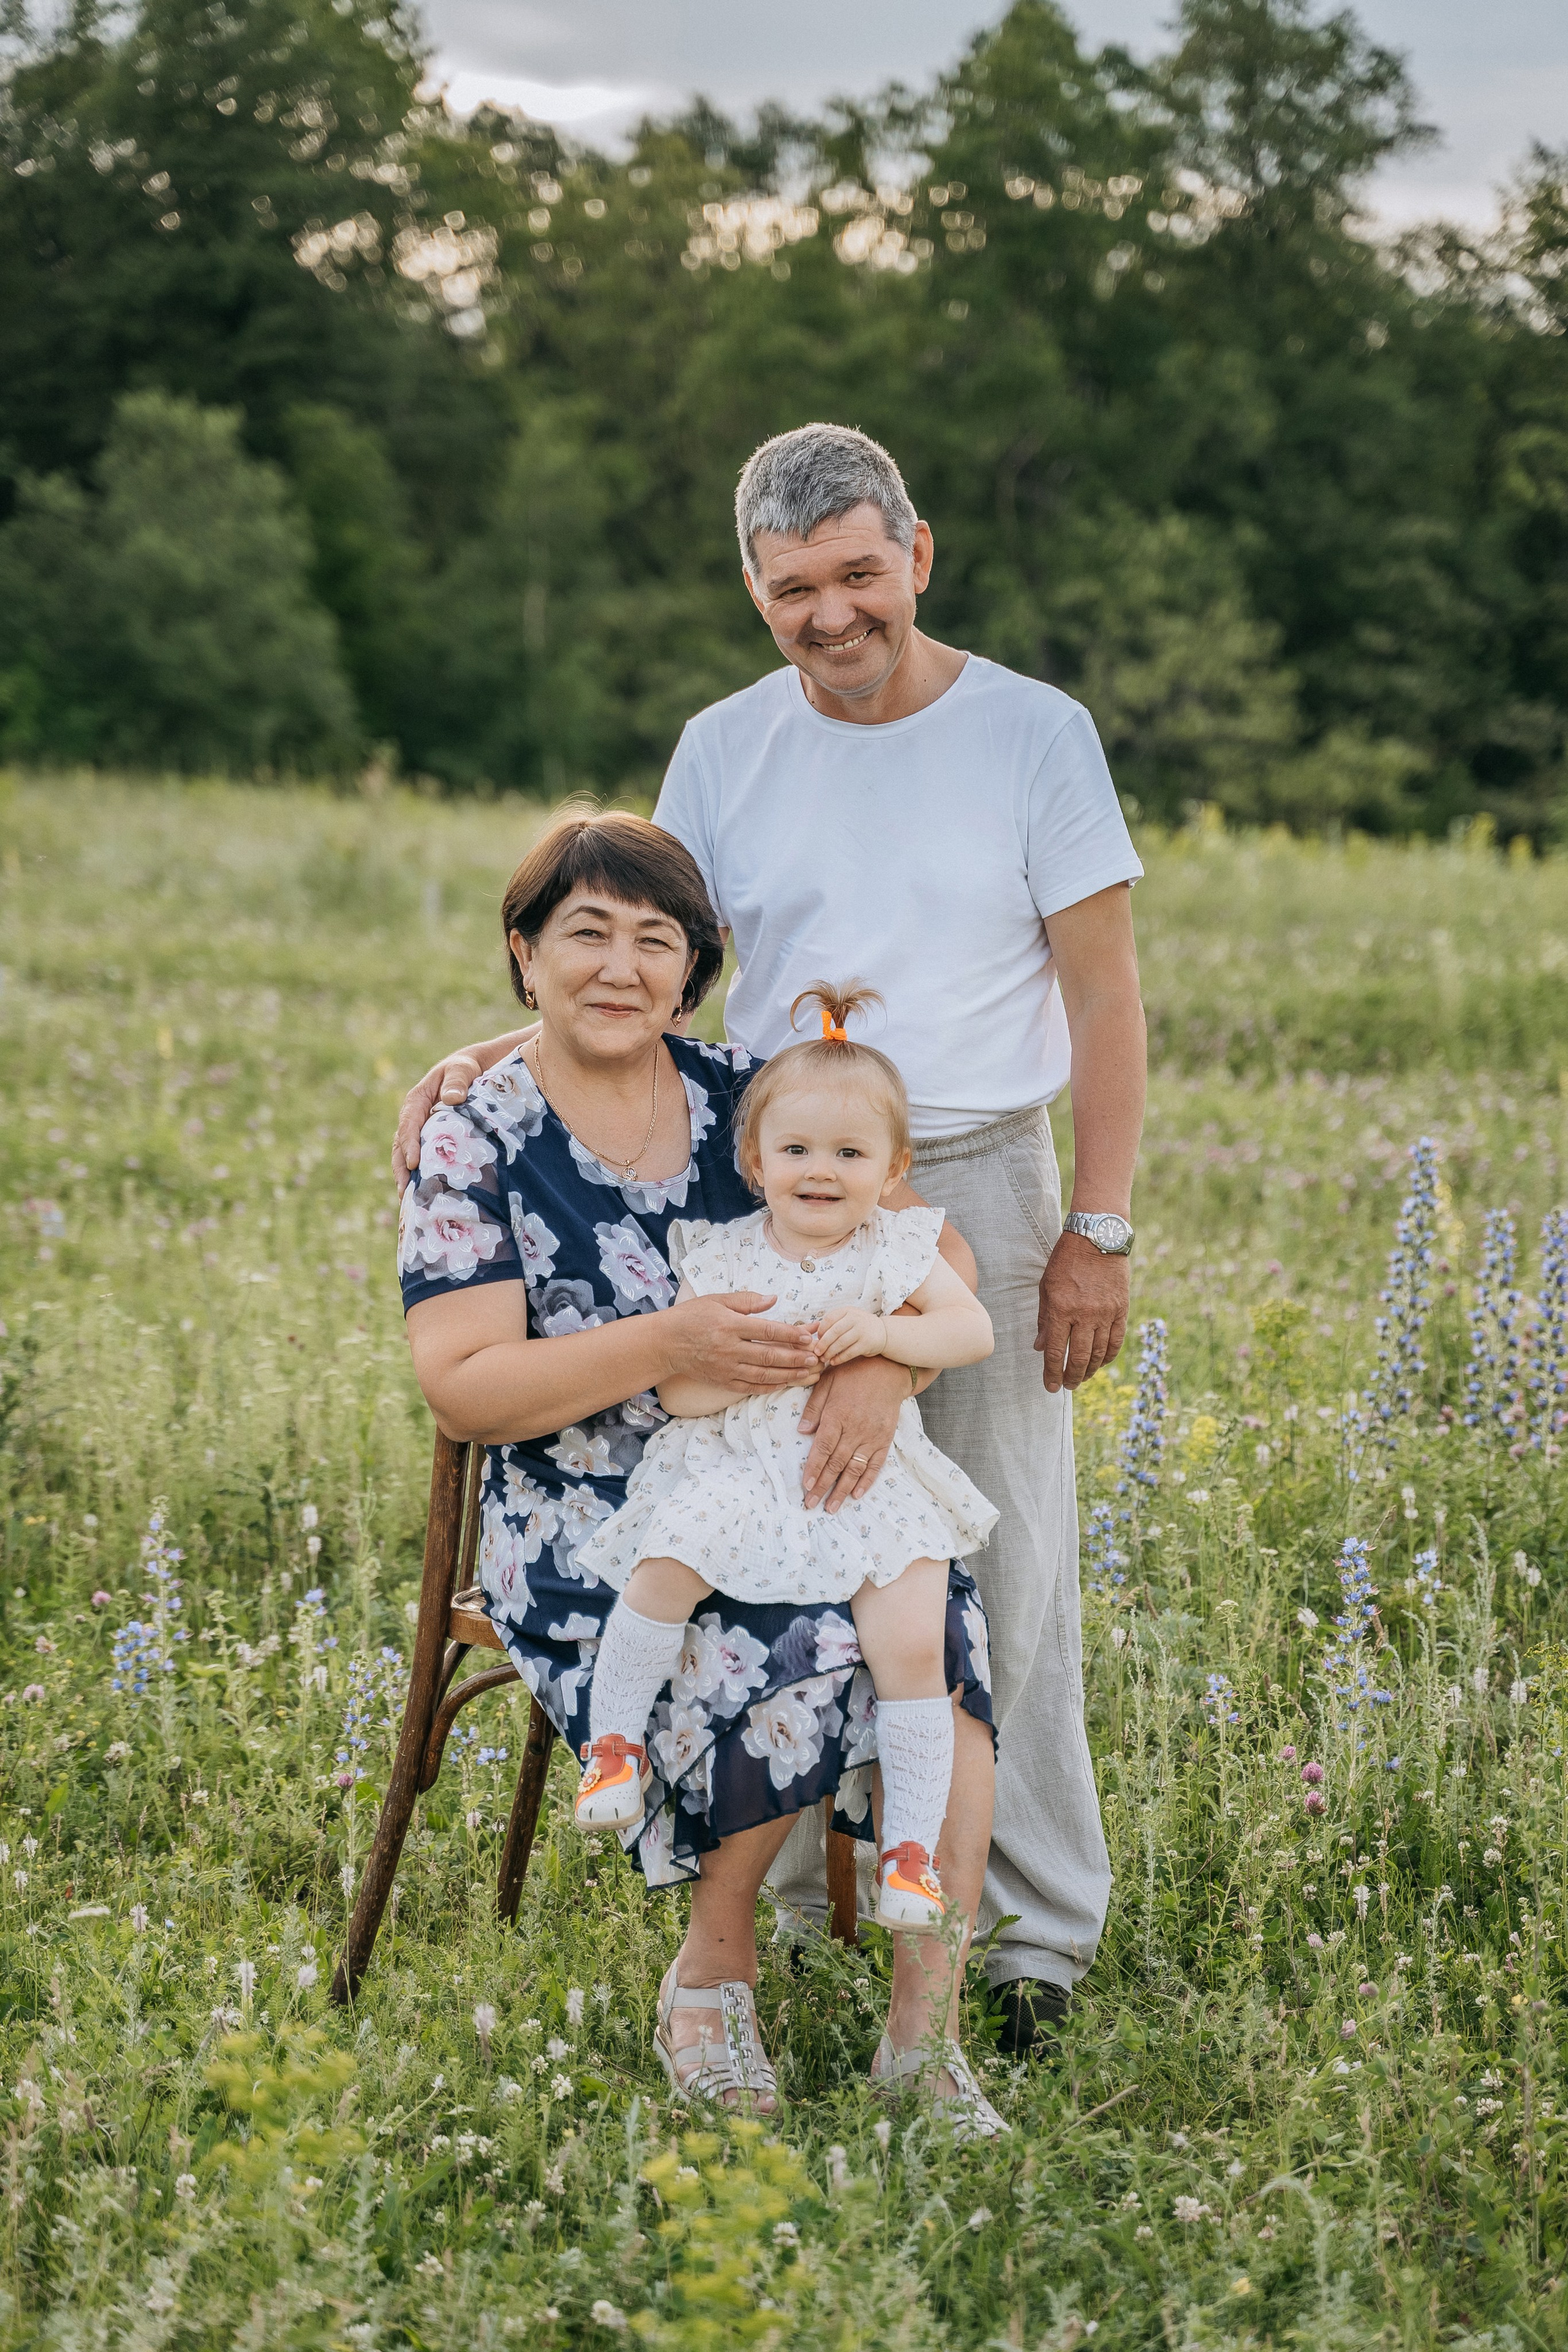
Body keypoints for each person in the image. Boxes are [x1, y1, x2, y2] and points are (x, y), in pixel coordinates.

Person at [395, 422, 1148, 2055]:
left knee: (994, 1564)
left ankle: (1025, 1939)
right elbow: (653, 952)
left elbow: (1106, 999)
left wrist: (1097, 1226)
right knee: (786, 1528)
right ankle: (798, 1915)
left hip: (979, 1177)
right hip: (774, 1173)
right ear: (755, 587)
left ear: (919, 555)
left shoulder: (1036, 733)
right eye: (794, 587)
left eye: (859, 575)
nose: (831, 613)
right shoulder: (724, 746)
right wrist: (487, 1052)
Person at [398, 808, 1000, 2127]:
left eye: (654, 941)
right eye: (585, 935)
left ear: (691, 969)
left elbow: (929, 1264)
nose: (620, 967)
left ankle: (923, 2034)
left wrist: (875, 1361)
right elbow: (464, 1385)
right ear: (523, 952)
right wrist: (663, 1341)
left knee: (940, 1632)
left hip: (791, 1471)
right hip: (587, 1509)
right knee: (770, 1640)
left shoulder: (746, 1093)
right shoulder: (477, 1135)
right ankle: (708, 1979)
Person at [573, 981, 997, 1966]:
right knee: (668, 1561)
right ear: (755, 1161)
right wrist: (739, 1374)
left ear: (892, 1169)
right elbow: (678, 1398)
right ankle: (614, 1748)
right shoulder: (721, 1257)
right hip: (744, 1468)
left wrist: (885, 1338)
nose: (821, 1171)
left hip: (871, 1481)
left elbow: (969, 1330)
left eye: (851, 1155)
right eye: (797, 1151)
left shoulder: (896, 1247)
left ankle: (906, 1860)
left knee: (914, 1646)